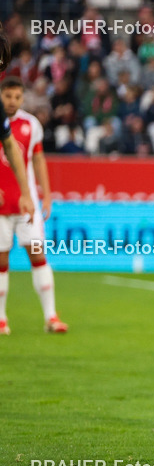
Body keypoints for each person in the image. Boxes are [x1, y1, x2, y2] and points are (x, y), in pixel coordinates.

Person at [0, 78, 67, 334]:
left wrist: (46, 196)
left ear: (23, 98)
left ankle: (51, 317)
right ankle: (1, 319)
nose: (12, 101)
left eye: (17, 97)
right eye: (8, 96)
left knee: (38, 255)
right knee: (1, 260)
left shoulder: (31, 124)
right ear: (1, 96)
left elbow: (38, 160)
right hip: (1, 206)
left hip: (27, 205)